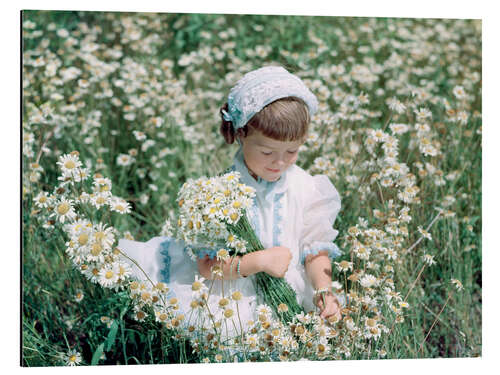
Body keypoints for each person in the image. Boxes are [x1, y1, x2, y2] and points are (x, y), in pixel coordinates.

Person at [118, 66, 342, 335]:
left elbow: (315, 250)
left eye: (292, 151)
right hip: (233, 292)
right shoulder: (218, 195)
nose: (280, 162)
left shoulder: (306, 187)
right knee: (228, 331)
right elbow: (208, 267)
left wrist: (323, 291)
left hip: (290, 289)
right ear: (241, 134)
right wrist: (259, 262)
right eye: (268, 151)